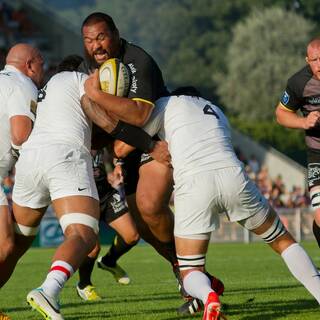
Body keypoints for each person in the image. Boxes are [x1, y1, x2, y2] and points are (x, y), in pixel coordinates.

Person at [113, 87, 320, 319]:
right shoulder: (217, 110)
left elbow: (121, 148)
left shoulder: (165, 104)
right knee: (284, 242)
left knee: (190, 269)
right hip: (234, 177)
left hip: (195, 185)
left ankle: (209, 296)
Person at [79, 12, 214, 313]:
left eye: (101, 37)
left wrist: (95, 96)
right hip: (128, 146)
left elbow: (140, 116)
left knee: (150, 205)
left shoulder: (138, 60)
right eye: (89, 40)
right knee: (141, 223)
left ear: (114, 33)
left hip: (156, 140)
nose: (96, 46)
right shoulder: (89, 67)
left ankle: (191, 274)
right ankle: (186, 273)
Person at [4, 55, 98, 320]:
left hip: (30, 160)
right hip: (63, 155)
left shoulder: (43, 91)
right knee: (83, 234)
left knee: (16, 245)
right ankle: (49, 289)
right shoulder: (80, 79)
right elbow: (99, 112)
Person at [0, 43, 44, 291]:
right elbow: (20, 135)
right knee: (5, 245)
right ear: (30, 65)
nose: (43, 71)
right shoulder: (23, 84)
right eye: (41, 64)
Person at [76, 148, 139, 301]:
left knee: (132, 236)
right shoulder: (70, 135)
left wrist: (114, 167)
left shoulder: (98, 129)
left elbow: (112, 152)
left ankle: (109, 261)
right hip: (83, 196)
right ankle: (84, 285)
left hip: (106, 193)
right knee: (92, 248)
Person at [275, 38, 320, 250]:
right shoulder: (298, 83)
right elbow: (281, 114)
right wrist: (304, 121)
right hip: (317, 155)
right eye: (315, 60)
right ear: (307, 60)